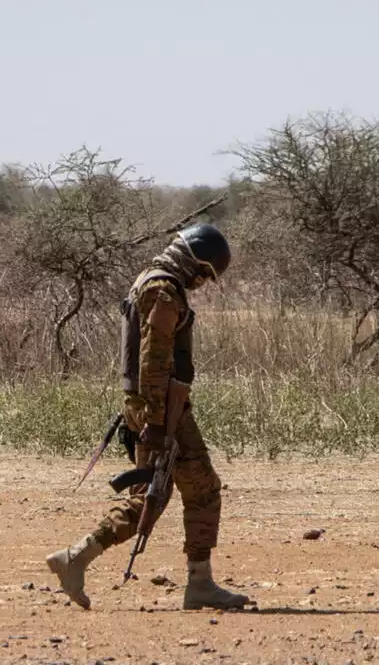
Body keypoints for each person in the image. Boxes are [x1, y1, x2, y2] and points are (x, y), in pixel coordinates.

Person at [45, 222, 251, 611]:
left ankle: (76, 557)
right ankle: (200, 585)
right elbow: (153, 361)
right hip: (161, 408)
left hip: (146, 406)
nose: (202, 283)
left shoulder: (151, 280)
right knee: (203, 489)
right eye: (204, 274)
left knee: (149, 497)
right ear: (195, 260)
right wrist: (158, 424)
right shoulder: (164, 290)